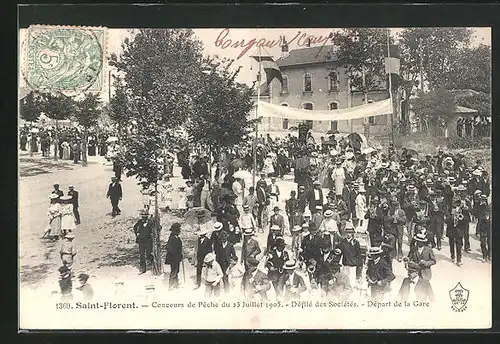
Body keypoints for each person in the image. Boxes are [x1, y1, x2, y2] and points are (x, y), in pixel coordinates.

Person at [407, 233, 436, 301]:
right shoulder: (413, 249)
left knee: (427, 288)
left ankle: (432, 301)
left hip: (425, 273)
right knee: (418, 289)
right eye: (418, 242)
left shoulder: (428, 250)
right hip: (416, 273)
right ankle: (422, 301)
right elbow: (409, 258)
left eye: (421, 242)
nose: (420, 243)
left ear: (424, 242)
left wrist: (426, 263)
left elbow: (434, 261)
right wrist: (407, 260)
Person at [165, 223, 183, 290]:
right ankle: (171, 285)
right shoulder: (172, 238)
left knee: (176, 271)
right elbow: (168, 248)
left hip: (177, 258)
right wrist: (175, 255)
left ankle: (176, 284)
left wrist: (180, 255)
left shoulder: (177, 237)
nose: (179, 231)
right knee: (174, 271)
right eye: (178, 230)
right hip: (173, 259)